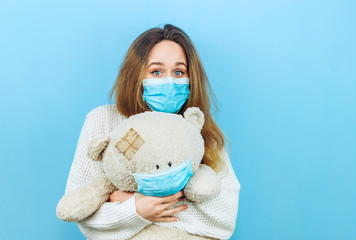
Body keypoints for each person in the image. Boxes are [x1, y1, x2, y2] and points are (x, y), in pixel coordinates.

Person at [61, 24, 241, 240]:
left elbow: (224, 219)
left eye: (179, 72)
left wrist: (124, 200)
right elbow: (83, 216)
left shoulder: (200, 129)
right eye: (156, 71)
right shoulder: (103, 121)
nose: (169, 81)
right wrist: (136, 211)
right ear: (136, 75)